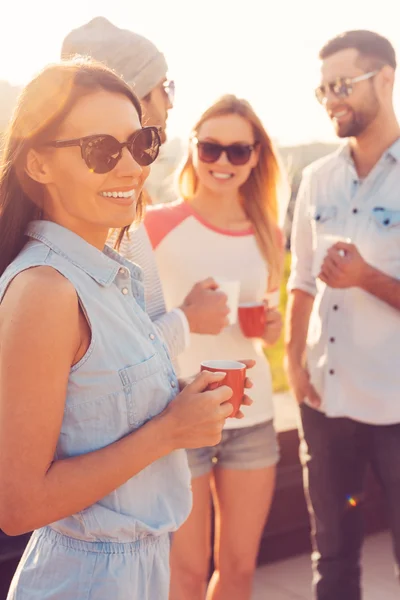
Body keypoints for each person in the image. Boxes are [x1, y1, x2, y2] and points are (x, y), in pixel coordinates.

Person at [0, 59, 254, 600]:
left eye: (141, 143)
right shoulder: (46, 289)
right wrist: (171, 432)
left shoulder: (111, 276)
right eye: (100, 149)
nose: (131, 168)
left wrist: (186, 407)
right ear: (39, 163)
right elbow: (18, 506)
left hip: (137, 574)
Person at [144, 95, 286, 600]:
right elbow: (131, 322)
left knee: (241, 570)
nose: (222, 162)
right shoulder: (154, 225)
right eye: (210, 148)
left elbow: (266, 324)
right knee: (184, 575)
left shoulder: (271, 233)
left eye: (237, 151)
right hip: (179, 412)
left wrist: (270, 327)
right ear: (193, 150)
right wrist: (185, 313)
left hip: (254, 416)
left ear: (255, 157)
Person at [286, 30, 400, 600]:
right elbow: (300, 279)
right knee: (331, 559)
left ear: (386, 77)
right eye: (322, 89)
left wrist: (367, 279)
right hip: (327, 402)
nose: (331, 99)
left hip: (398, 404)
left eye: (341, 85)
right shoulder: (316, 178)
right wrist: (291, 359)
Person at [61, 17, 229, 360]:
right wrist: (187, 318)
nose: (170, 103)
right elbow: (108, 363)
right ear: (133, 95)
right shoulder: (100, 207)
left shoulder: (120, 197)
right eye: (164, 87)